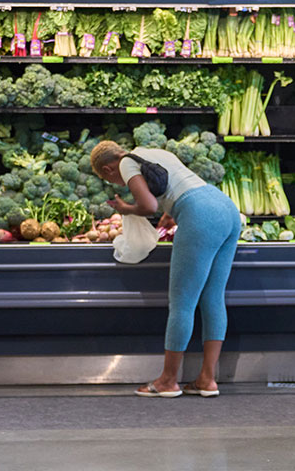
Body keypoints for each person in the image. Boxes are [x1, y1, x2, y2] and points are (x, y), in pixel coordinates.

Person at [90, 140, 241, 398]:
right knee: (213, 298)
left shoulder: (126, 163)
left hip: (200, 214)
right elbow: (178, 186)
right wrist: (169, 214)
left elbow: (147, 205)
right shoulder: (152, 152)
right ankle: (207, 379)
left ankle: (168, 381)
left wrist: (125, 208)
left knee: (182, 303)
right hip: (225, 208)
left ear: (107, 169)